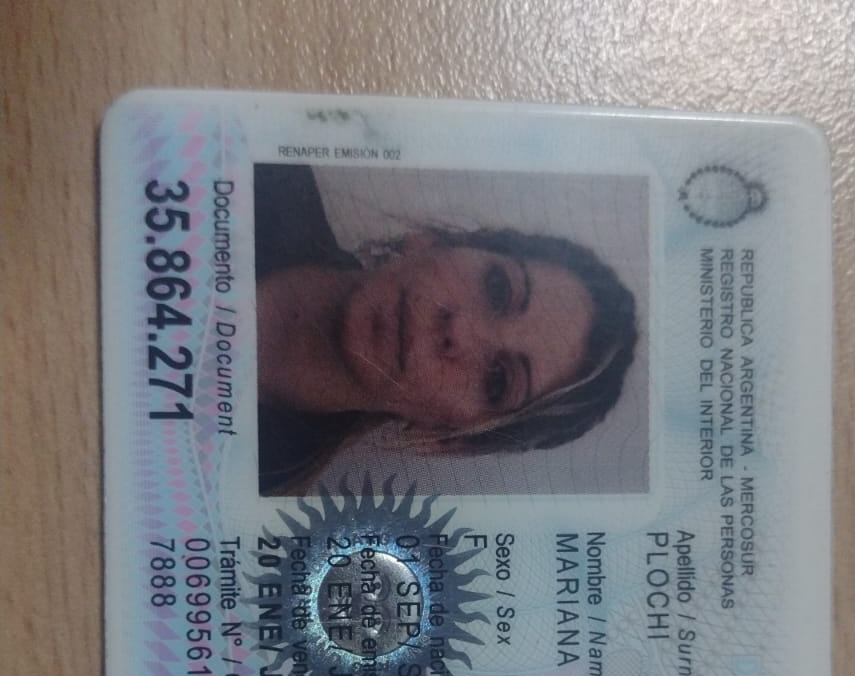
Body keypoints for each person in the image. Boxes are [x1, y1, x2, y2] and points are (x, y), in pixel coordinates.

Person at [255, 164, 638, 494]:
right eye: (497, 288)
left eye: (497, 381)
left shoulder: (250, 506)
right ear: (433, 242)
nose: (460, 330)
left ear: (450, 439)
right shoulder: (258, 166)